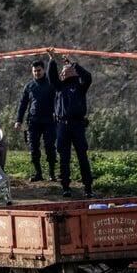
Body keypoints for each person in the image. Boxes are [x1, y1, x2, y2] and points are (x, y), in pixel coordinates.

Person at [46, 47, 94, 198]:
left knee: (82, 156)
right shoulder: (59, 87)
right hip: (62, 126)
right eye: (61, 72)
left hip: (78, 125)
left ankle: (88, 187)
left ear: (72, 72)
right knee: (64, 157)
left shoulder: (80, 86)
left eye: (65, 71)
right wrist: (52, 60)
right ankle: (65, 187)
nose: (62, 73)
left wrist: (73, 63)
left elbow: (88, 76)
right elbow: (51, 76)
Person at [14, 60, 57, 182]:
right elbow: (22, 104)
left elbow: (58, 101)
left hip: (49, 120)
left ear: (43, 70)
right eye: (34, 71)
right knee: (33, 147)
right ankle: (38, 173)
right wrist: (18, 120)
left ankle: (52, 173)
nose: (37, 73)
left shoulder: (51, 84)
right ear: (32, 72)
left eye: (39, 70)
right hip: (33, 121)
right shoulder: (29, 86)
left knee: (50, 146)